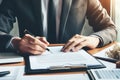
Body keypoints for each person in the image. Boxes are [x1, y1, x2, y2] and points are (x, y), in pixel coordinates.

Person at [0, 0, 117, 55]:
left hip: (74, 63)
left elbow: (110, 28)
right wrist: (16, 43)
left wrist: (94, 39)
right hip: (29, 64)